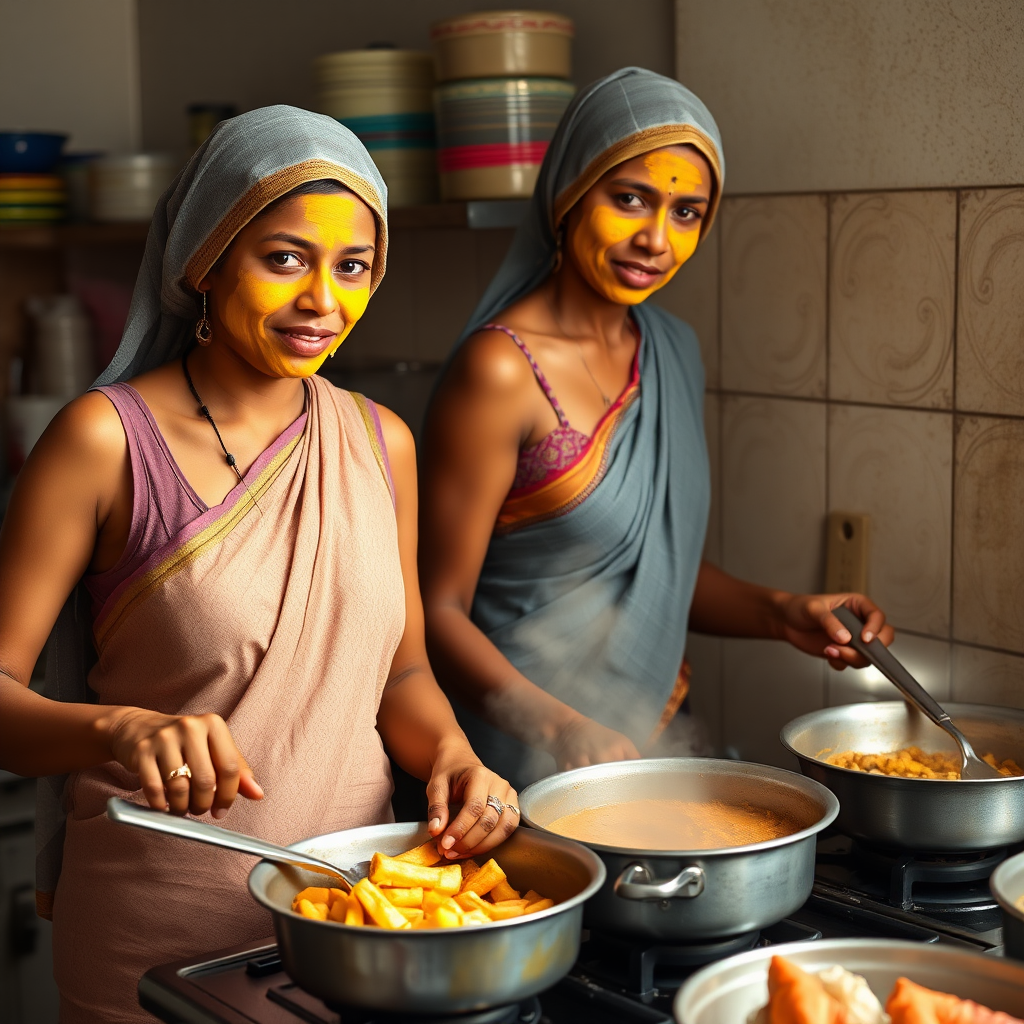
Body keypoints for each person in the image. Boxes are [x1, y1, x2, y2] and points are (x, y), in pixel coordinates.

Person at [0, 107, 518, 1023]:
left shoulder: (378, 442)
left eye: (351, 267)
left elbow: (398, 670)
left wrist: (454, 755)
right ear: (204, 260)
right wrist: (122, 729)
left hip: (352, 920)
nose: (324, 300)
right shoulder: (102, 441)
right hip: (153, 947)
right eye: (284, 258)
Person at [419, 69, 894, 790]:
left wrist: (783, 612)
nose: (655, 238)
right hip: (506, 768)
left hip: (640, 752)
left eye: (686, 212)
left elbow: (652, 569)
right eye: (630, 198)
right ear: (572, 192)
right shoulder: (500, 371)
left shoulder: (671, 348)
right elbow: (433, 608)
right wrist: (560, 727)